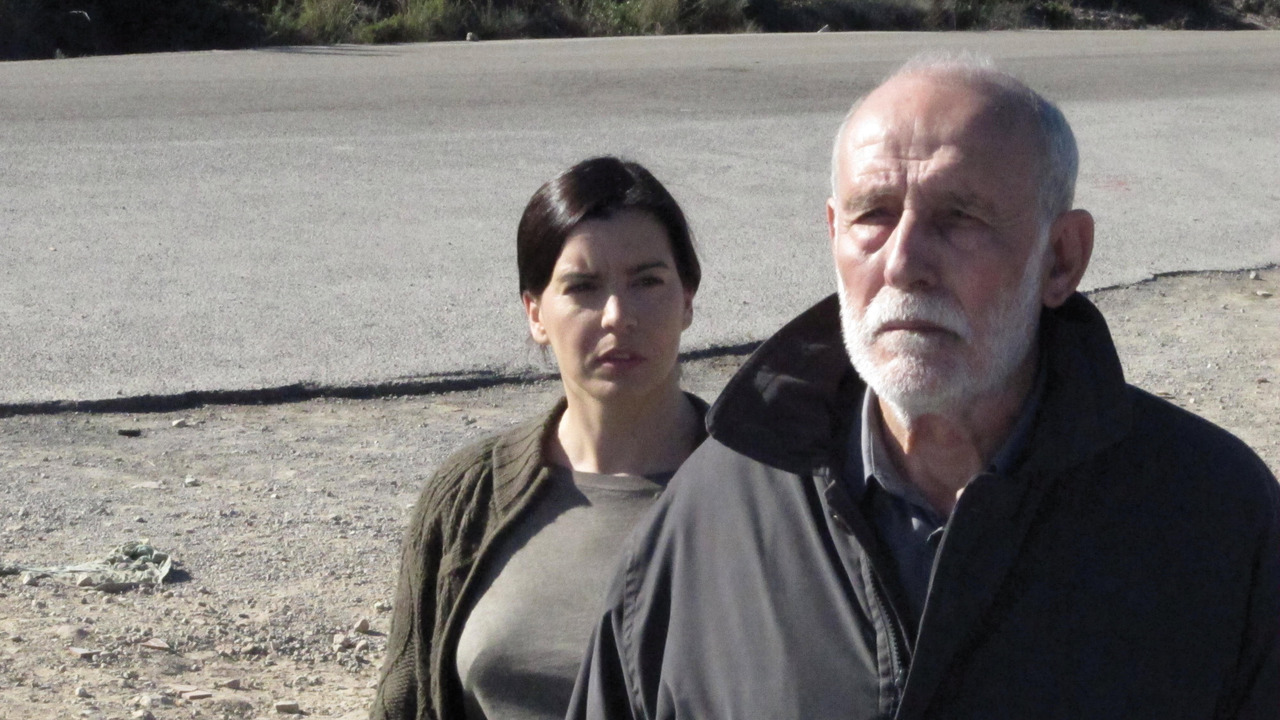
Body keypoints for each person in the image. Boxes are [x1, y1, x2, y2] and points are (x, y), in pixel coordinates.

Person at [568, 57, 1279, 720]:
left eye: (960, 218)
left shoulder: (1213, 521)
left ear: (1061, 259)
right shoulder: (715, 513)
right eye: (873, 215)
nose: (903, 262)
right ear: (833, 233)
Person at [370, 156, 707, 720]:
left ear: (688, 299)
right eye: (583, 287)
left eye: (647, 281)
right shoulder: (468, 498)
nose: (617, 315)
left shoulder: (766, 492)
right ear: (536, 314)